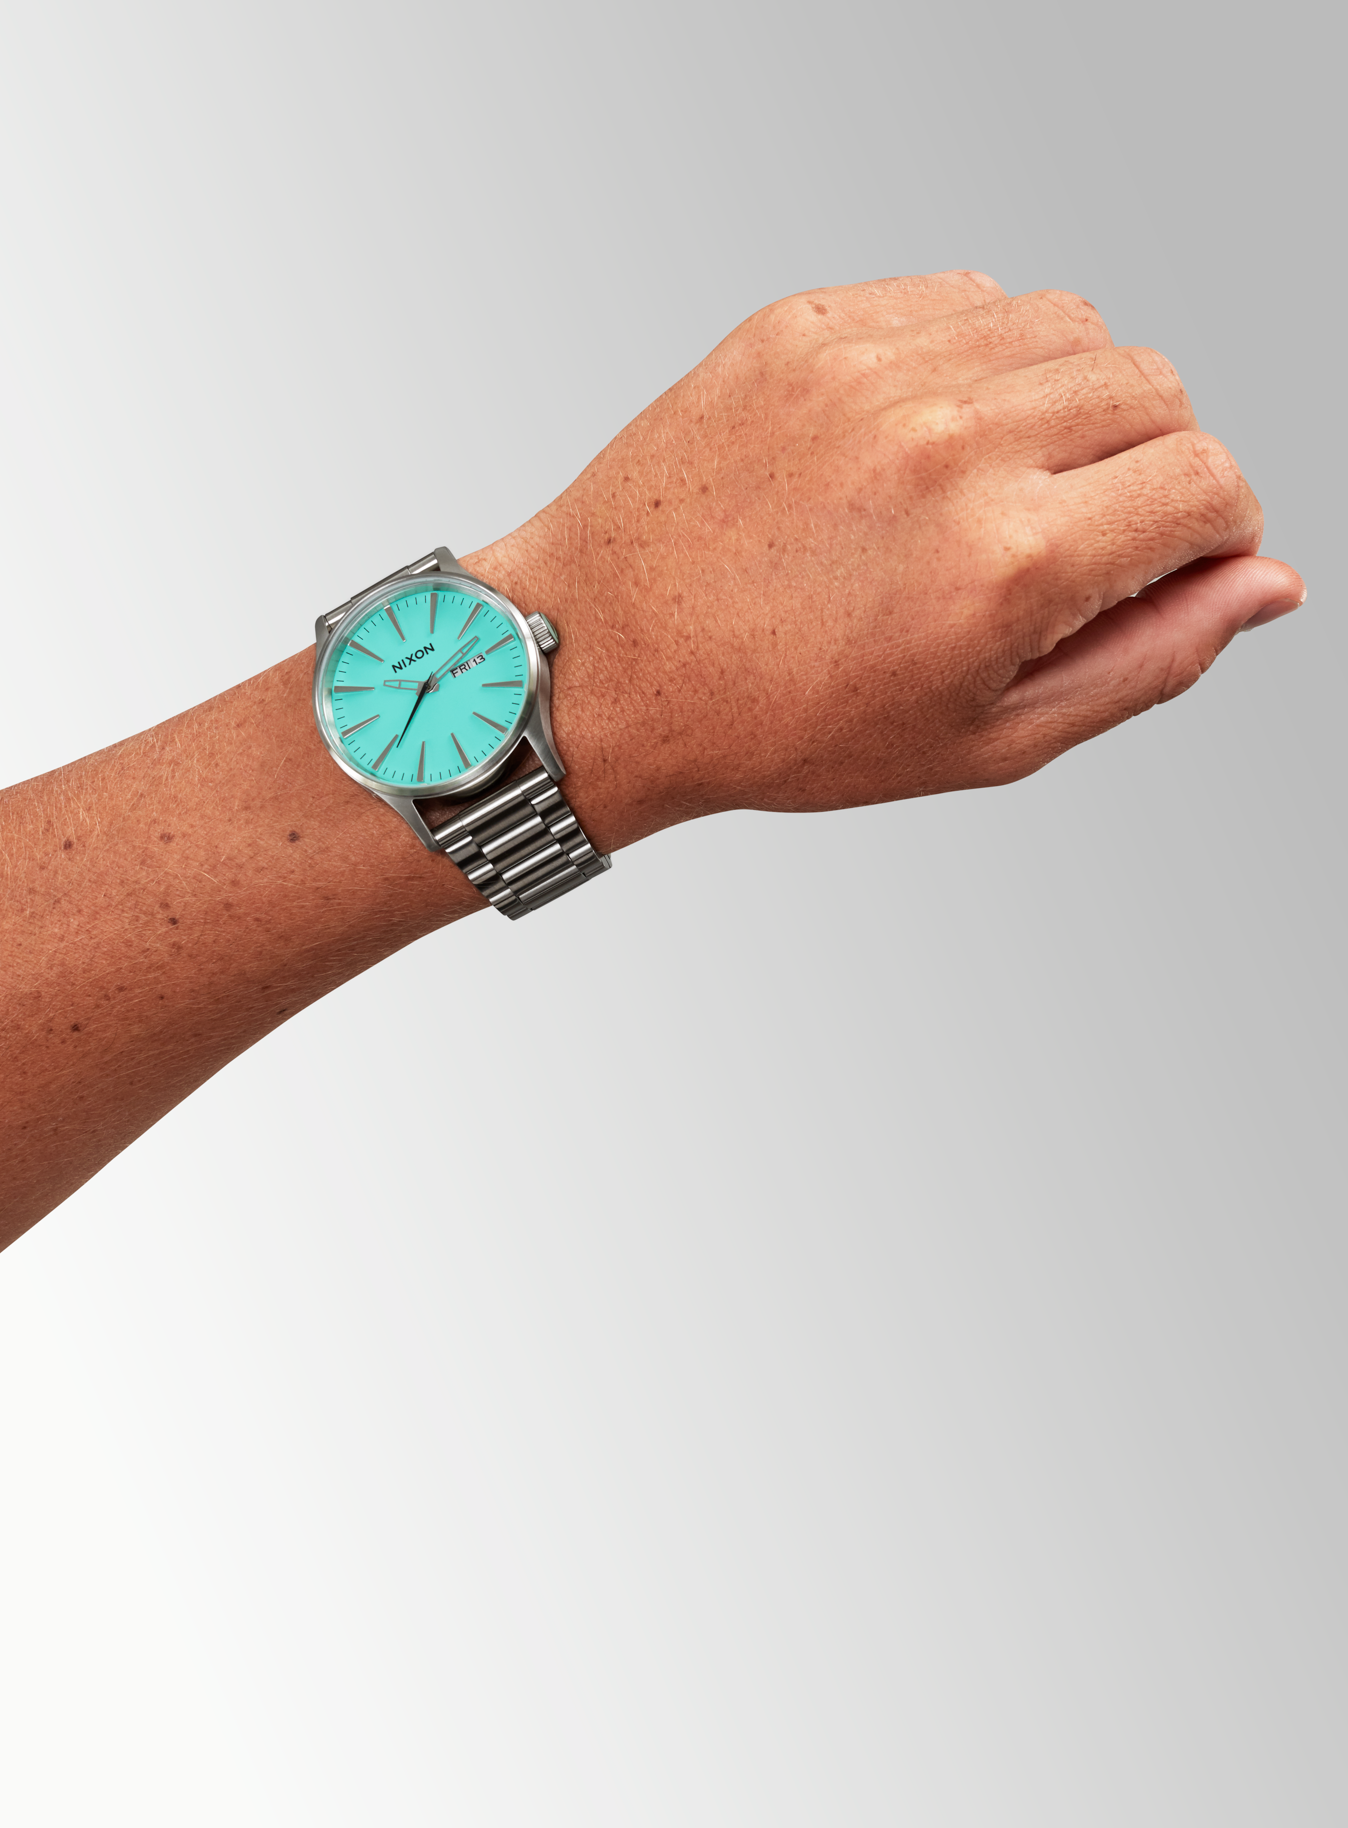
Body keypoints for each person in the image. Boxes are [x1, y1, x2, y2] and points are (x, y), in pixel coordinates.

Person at [0, 270, 1304, 1249]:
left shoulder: (454, 665)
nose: (425, 677)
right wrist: (615, 669)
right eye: (416, 667)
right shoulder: (423, 689)